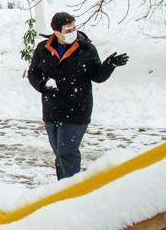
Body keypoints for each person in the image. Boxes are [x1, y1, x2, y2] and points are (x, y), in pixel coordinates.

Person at [27, 12, 128, 180]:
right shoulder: (43, 49)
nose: (72, 31)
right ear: (56, 32)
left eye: (74, 27)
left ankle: (74, 191)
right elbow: (33, 73)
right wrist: (43, 87)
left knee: (67, 152)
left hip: (77, 109)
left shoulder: (86, 49)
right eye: (68, 29)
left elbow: (97, 76)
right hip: (52, 110)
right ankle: (62, 189)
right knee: (59, 153)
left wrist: (109, 65)